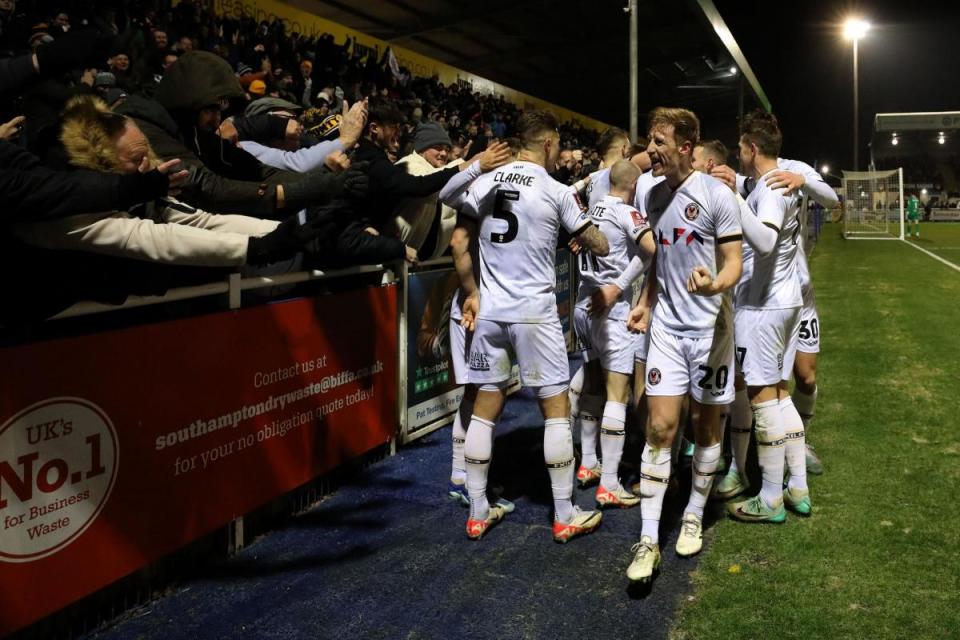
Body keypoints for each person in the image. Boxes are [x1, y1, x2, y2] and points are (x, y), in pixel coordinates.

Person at [439, 109, 610, 543]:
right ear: (549, 144)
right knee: (555, 410)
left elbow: (446, 193)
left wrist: (477, 163)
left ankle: (478, 511)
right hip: (534, 313)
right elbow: (600, 244)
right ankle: (565, 511)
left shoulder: (487, 181)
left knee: (484, 409)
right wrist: (585, 229)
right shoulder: (555, 189)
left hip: (492, 314)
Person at [624, 107, 743, 582]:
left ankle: (693, 511)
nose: (650, 150)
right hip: (668, 332)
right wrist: (649, 302)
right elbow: (662, 261)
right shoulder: (652, 195)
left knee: (705, 425)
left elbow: (732, 260)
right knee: (660, 426)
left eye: (658, 141)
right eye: (650, 141)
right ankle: (649, 539)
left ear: (686, 147)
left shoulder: (717, 195)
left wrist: (715, 287)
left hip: (711, 331)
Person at [723, 110, 807, 523]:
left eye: (740, 147)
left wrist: (736, 200)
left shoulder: (771, 187)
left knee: (760, 396)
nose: (739, 154)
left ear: (752, 148)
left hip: (764, 306)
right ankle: (798, 486)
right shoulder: (774, 182)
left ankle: (770, 496)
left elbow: (766, 241)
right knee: (778, 390)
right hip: (786, 301)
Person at [578, 159, 656, 508]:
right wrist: (621, 283)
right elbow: (653, 249)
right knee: (616, 395)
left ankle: (587, 463)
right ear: (634, 186)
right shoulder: (627, 213)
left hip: (582, 305)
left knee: (592, 384)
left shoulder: (590, 209)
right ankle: (609, 483)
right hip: (611, 308)